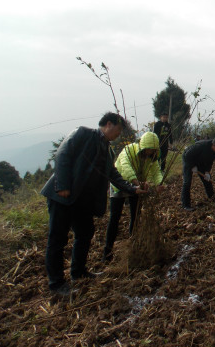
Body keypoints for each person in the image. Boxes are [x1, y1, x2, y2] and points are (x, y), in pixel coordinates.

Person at [41, 112, 145, 297]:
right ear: (108, 124)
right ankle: (56, 284)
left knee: (85, 232)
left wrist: (132, 189)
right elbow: (63, 153)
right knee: (58, 239)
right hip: (63, 196)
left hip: (82, 201)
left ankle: (78, 272)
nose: (119, 135)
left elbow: (112, 174)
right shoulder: (83, 133)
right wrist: (62, 185)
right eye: (119, 130)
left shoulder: (107, 149)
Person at [103, 131, 164, 262]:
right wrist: (136, 182)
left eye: (153, 150)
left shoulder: (152, 157)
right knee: (115, 217)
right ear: (142, 147)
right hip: (120, 185)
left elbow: (156, 171)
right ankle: (107, 253)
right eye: (148, 150)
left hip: (137, 188)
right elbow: (125, 168)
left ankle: (133, 245)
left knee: (135, 216)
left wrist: (159, 183)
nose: (150, 152)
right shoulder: (129, 151)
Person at [180, 137, 215, 211]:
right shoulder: (201, 146)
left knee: (207, 179)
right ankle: (186, 205)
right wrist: (192, 166)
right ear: (213, 145)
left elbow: (210, 161)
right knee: (187, 182)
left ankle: (211, 197)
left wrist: (207, 172)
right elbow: (187, 155)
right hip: (188, 159)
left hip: (201, 161)